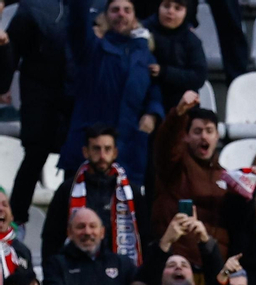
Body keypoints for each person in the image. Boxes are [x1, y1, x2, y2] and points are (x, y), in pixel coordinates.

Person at [61, 0, 162, 190]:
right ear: (105, 16)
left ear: (134, 18)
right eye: (115, 10)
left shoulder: (144, 53)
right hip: (90, 145)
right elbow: (76, 23)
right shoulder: (91, 49)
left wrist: (152, 113)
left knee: (126, 214)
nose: (121, 14)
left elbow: (154, 90)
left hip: (129, 146)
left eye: (127, 10)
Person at [148, 93, 236, 266]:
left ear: (217, 136)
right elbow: (166, 145)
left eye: (209, 131)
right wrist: (178, 114)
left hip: (213, 266)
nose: (204, 136)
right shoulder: (174, 166)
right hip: (178, 264)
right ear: (186, 137)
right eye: (197, 131)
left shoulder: (227, 177)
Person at [6, 0, 74, 221]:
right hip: (40, 94)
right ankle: (16, 222)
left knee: (76, 161)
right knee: (35, 155)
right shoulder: (33, 7)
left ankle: (72, 222)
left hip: (77, 94)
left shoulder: (96, 5)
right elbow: (12, 45)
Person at [44, 125, 143, 265]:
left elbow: (144, 236)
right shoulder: (67, 190)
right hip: (75, 271)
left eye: (107, 149)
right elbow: (51, 237)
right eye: (96, 149)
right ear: (86, 152)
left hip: (120, 272)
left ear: (115, 153)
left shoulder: (132, 193)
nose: (102, 156)